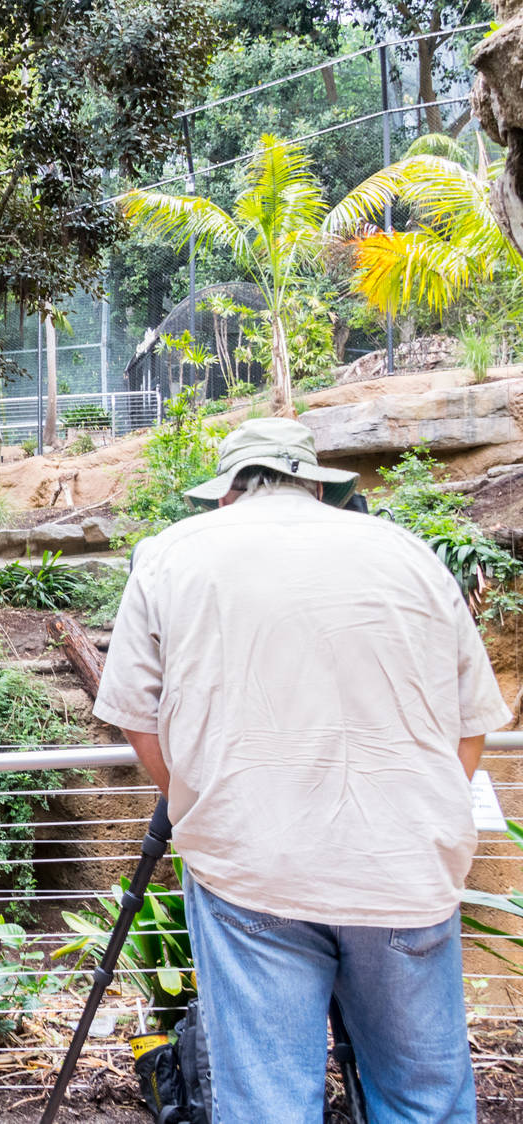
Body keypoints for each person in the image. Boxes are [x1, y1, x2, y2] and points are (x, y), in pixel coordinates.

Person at [93, 417, 511, 1124]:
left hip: (253, 869)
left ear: (225, 493)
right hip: (404, 869)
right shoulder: (407, 553)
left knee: (269, 1107)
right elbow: (470, 729)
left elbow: (137, 714)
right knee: (424, 1102)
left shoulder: (170, 555)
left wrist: (200, 806)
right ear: (318, 484)